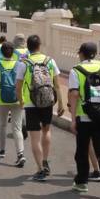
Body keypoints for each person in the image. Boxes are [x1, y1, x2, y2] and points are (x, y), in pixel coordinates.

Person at [68, 42, 100, 198]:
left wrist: (73, 119)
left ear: (81, 53)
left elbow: (75, 94)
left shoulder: (76, 70)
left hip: (84, 116)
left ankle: (82, 183)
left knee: (82, 150)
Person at [15, 34, 65, 181]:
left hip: (31, 102)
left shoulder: (24, 63)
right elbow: (57, 84)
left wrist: (21, 100)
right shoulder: (50, 61)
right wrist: (61, 103)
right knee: (46, 130)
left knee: (34, 137)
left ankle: (40, 168)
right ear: (40, 45)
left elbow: (18, 86)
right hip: (48, 100)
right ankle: (45, 160)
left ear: (27, 47)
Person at [0, 42, 26, 167]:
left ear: (1, 52)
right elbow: (23, 83)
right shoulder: (20, 65)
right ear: (13, 52)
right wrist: (23, 99)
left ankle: (2, 150)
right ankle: (20, 154)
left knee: (3, 125)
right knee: (17, 128)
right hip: (17, 99)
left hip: (2, 99)